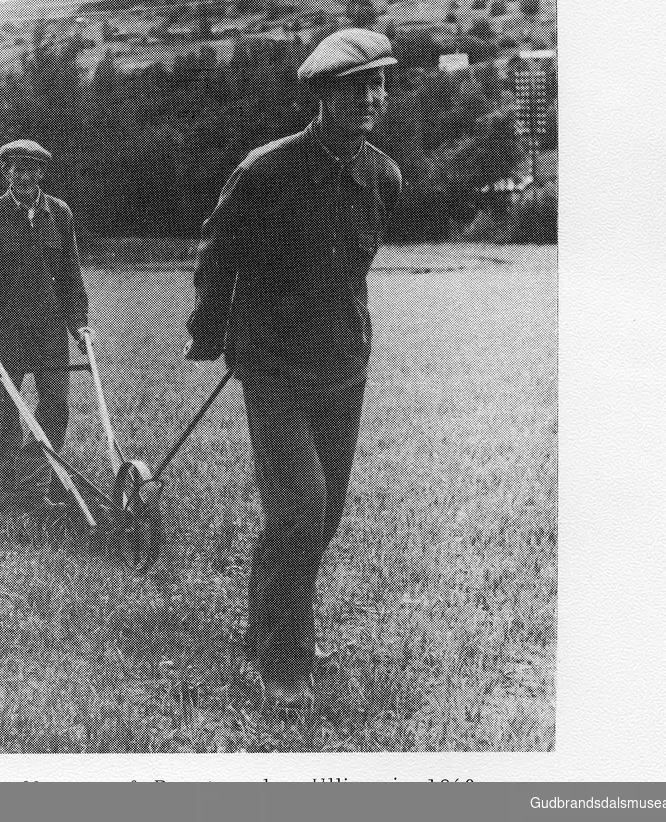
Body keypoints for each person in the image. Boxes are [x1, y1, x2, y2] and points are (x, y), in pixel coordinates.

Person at [184, 29, 402, 711]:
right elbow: (218, 257)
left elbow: (351, 272)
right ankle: (284, 662)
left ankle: (267, 630)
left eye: (377, 85)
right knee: (300, 512)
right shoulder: (264, 172)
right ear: (322, 94)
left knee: (321, 516)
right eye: (353, 87)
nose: (368, 97)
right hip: (275, 369)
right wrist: (211, 333)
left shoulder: (383, 178)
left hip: (343, 366)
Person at [0, 139, 91, 507]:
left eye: (32, 169)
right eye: (17, 168)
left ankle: (42, 483)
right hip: (4, 332)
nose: (25, 176)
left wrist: (79, 325)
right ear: (7, 172)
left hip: (49, 330)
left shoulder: (60, 214)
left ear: (41, 173)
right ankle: (16, 489)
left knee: (56, 405)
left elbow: (70, 280)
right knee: (7, 408)